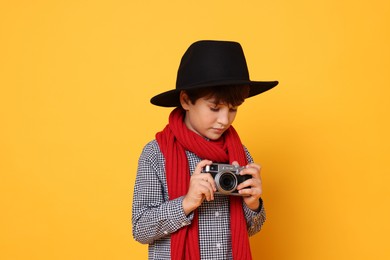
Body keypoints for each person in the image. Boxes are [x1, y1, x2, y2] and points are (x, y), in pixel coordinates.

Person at [132, 40, 278, 260]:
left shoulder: (240, 154)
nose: (224, 120)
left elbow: (251, 229)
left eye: (233, 109)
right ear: (186, 100)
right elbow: (141, 229)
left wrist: (253, 204)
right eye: (214, 108)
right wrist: (186, 203)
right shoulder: (156, 154)